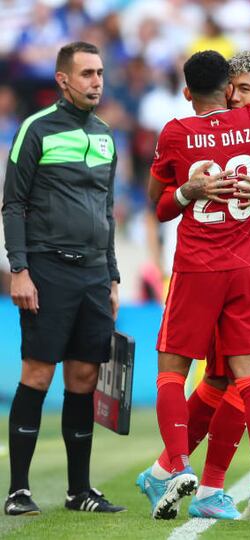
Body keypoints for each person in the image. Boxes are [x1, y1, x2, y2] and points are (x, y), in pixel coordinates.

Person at [137, 50, 250, 520]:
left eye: (246, 89)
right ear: (223, 88)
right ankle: (196, 479)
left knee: (227, 380)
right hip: (233, 270)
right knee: (228, 380)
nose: (236, 96)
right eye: (232, 87)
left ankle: (175, 472)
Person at [2, 41, 125, 516]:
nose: (97, 81)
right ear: (63, 80)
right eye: (88, 73)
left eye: (100, 72)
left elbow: (107, 212)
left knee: (84, 377)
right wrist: (20, 270)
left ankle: (80, 492)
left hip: (94, 274)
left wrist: (112, 277)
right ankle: (18, 491)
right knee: (38, 373)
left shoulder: (105, 135)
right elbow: (13, 203)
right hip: (47, 269)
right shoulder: (35, 130)